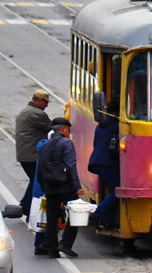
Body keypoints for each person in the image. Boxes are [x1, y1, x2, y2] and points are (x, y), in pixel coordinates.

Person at [37, 117, 82, 259]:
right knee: (76, 215)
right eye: (67, 130)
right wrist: (77, 186)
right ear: (63, 129)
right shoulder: (66, 143)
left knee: (51, 219)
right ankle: (66, 244)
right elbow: (71, 166)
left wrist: (44, 186)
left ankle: (52, 250)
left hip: (50, 187)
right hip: (66, 187)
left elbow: (40, 169)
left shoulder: (44, 145)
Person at [15, 90, 52, 219]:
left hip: (24, 154)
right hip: (32, 155)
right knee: (38, 180)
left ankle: (25, 206)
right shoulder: (37, 114)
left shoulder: (26, 110)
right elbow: (51, 128)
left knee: (34, 179)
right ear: (40, 101)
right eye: (46, 102)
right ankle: (27, 207)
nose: (47, 106)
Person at [88, 104, 121, 229]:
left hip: (96, 161)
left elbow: (96, 143)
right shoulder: (118, 124)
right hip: (107, 162)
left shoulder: (101, 125)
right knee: (117, 191)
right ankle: (97, 214)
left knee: (113, 190)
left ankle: (108, 221)